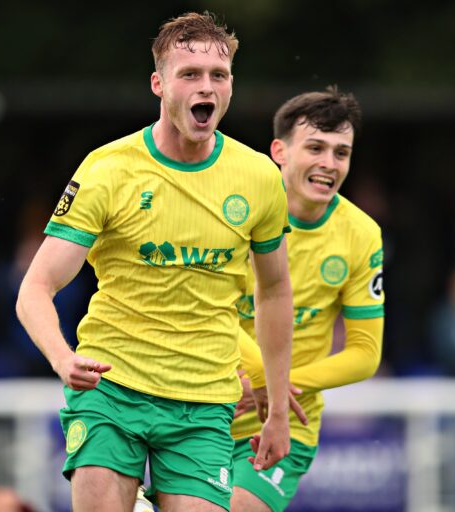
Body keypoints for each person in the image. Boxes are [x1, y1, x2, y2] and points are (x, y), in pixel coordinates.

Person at [16, 11, 294, 512]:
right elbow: (36, 288)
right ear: (159, 84)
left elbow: (274, 291)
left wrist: (276, 409)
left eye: (219, 75)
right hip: (111, 387)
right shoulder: (108, 170)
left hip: (205, 402)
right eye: (189, 74)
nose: (205, 86)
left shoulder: (259, 177)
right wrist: (62, 359)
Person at [231, 87, 384, 511]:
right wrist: (262, 375)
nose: (328, 164)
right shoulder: (236, 211)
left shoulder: (362, 234)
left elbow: (365, 354)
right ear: (279, 151)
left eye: (341, 153)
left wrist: (280, 391)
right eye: (315, 147)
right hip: (206, 407)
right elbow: (208, 309)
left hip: (286, 425)